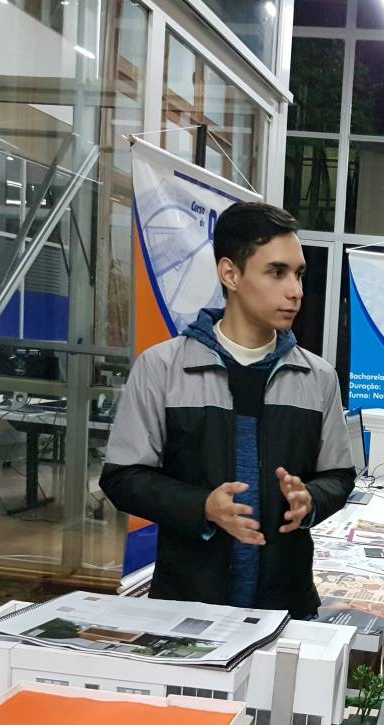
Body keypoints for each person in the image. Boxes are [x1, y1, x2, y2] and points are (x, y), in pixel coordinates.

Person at [100, 202, 354, 617]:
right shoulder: (163, 368)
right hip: (186, 608)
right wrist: (203, 506)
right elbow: (122, 478)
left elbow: (340, 476)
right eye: (277, 272)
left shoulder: (318, 377)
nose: (295, 290)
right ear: (230, 274)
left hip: (286, 608)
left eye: (299, 274)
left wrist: (311, 498)